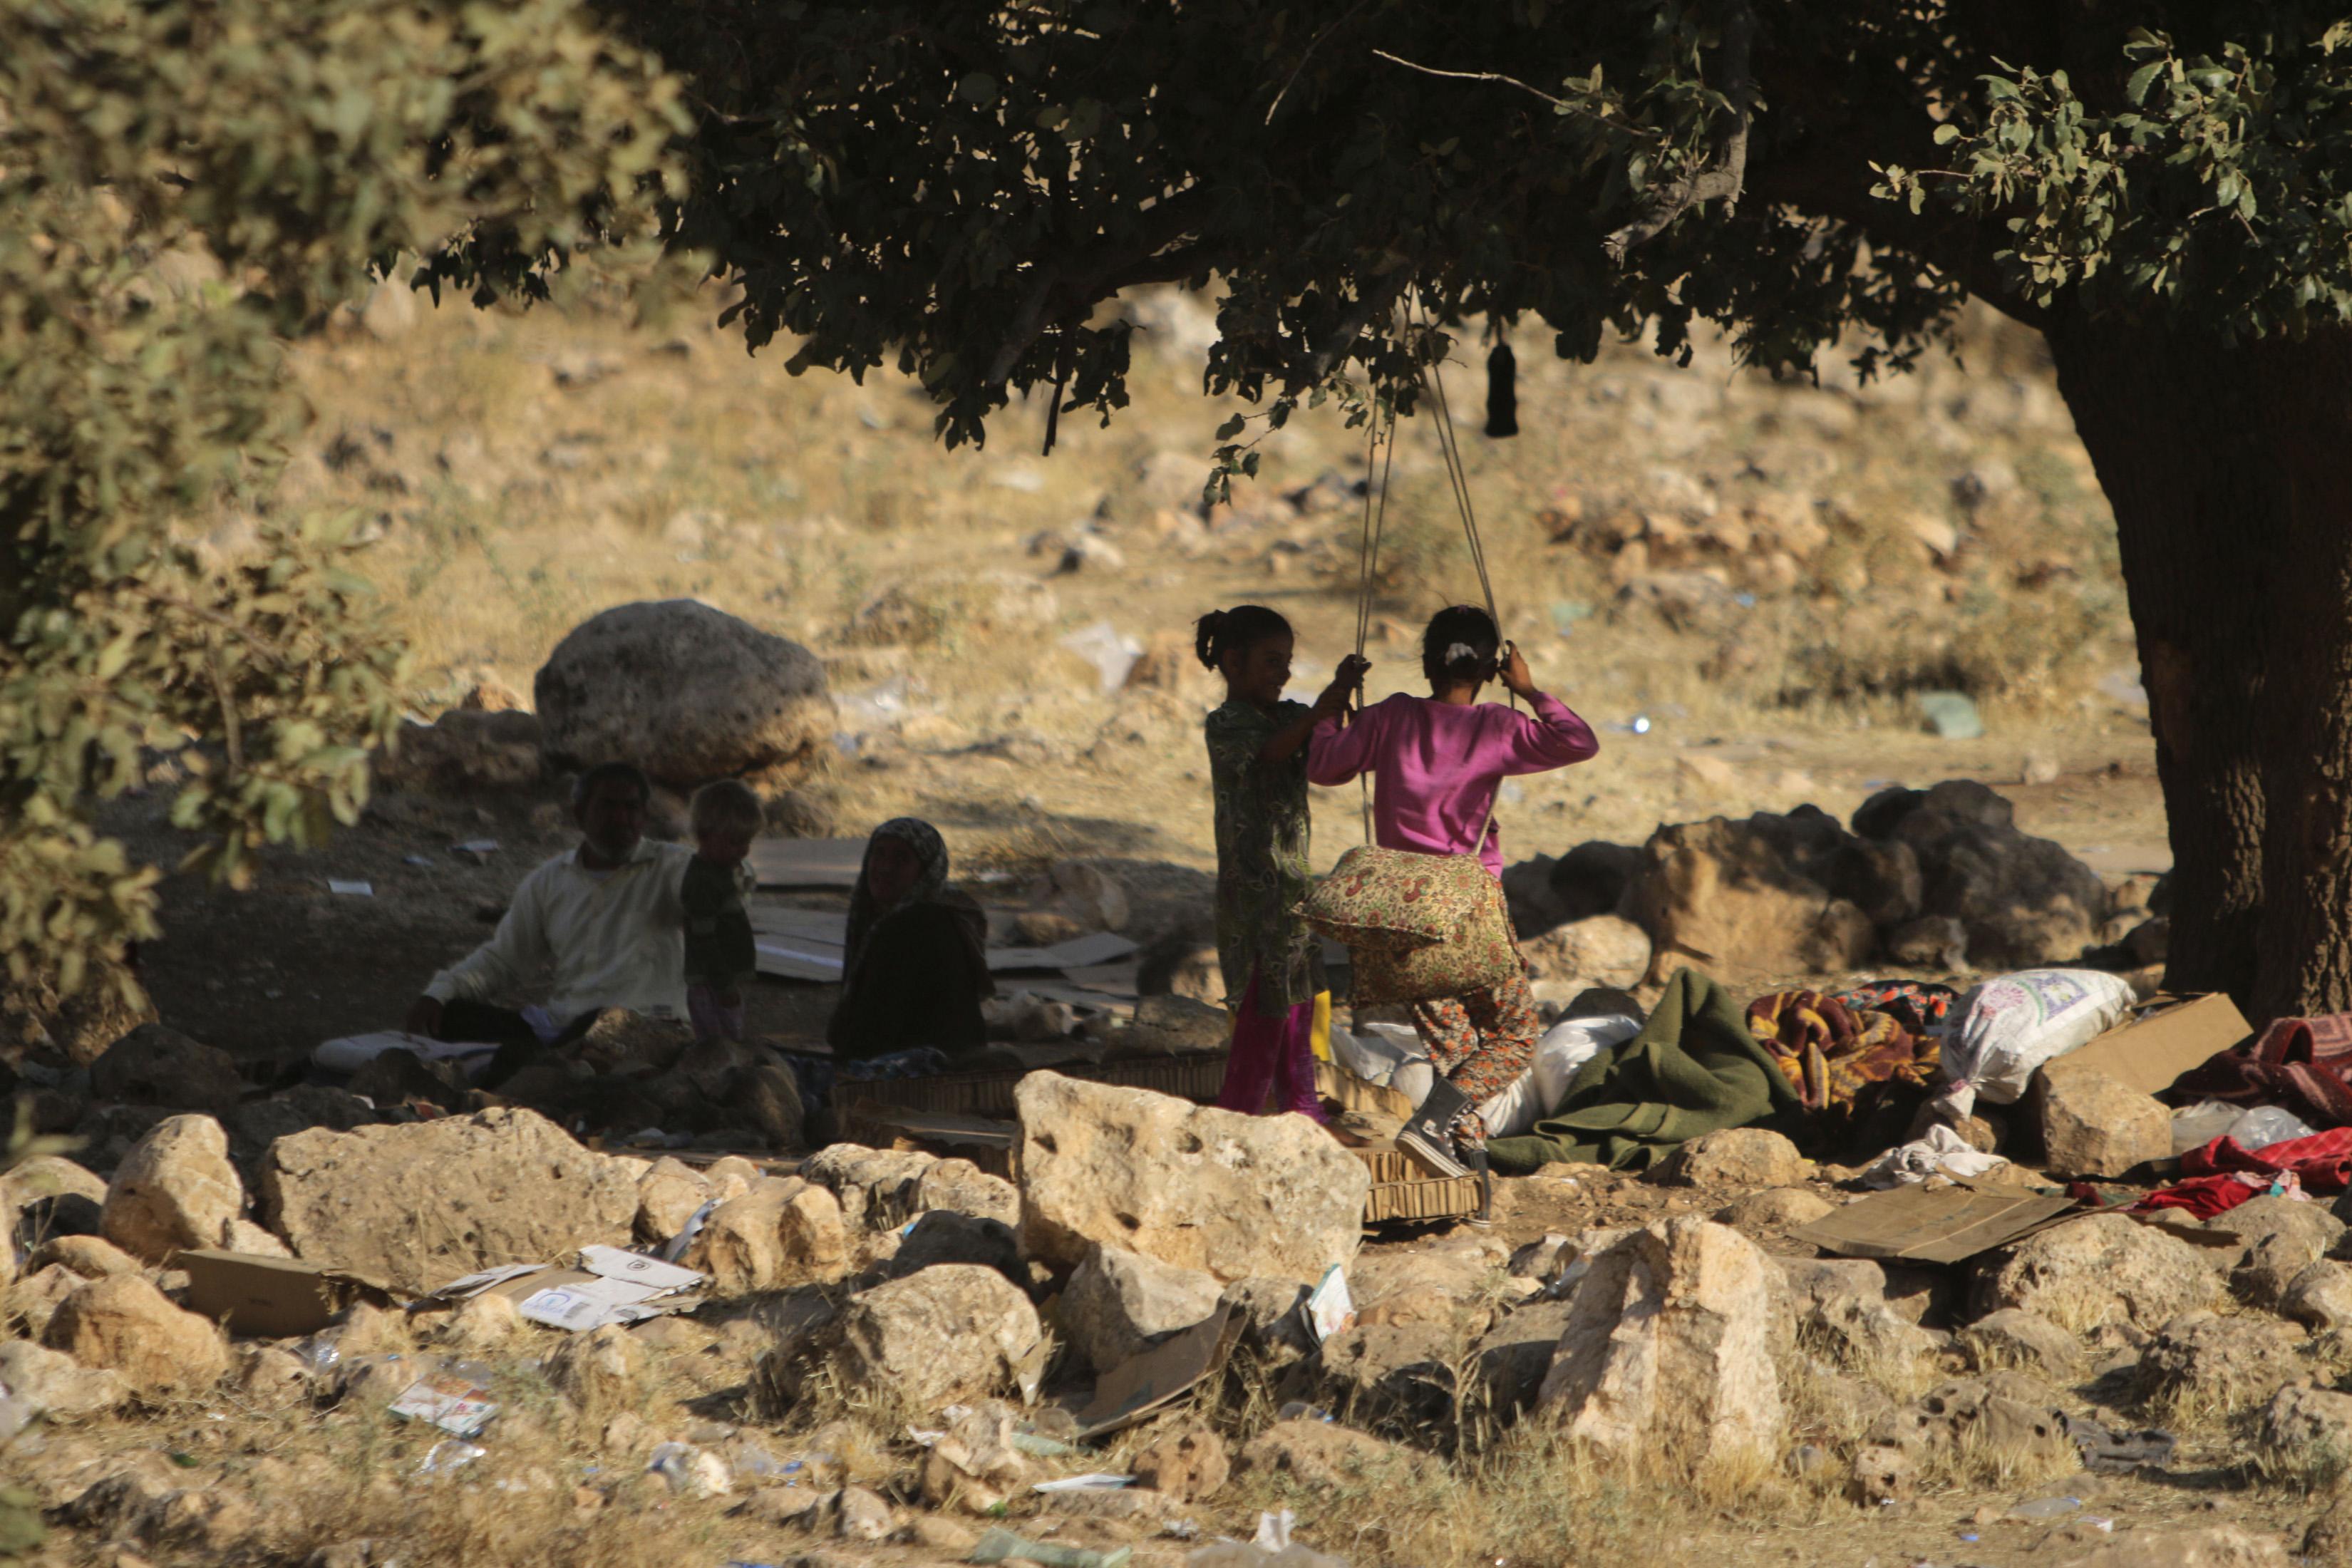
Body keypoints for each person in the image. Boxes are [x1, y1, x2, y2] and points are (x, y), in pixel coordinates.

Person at [1308, 604, 1598, 1178]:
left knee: (1454, 1050)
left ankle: (1470, 1176)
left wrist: (1336, 701)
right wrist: (1532, 690)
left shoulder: (1388, 717)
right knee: (1514, 1036)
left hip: (1401, 912)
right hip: (1470, 907)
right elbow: (1578, 742)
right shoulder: (1498, 724)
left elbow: (1322, 764)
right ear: (1492, 670)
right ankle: (1432, 1125)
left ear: (1424, 664)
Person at [1197, 604, 1366, 1122]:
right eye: (1272, 662)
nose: (1284, 673)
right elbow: (1269, 754)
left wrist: (1341, 695)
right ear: (1232, 661)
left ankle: (1303, 1115)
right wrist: (1318, 713)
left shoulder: (1291, 716)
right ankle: (1238, 1119)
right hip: (1251, 905)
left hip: (1292, 897)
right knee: (1260, 1017)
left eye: (1288, 662)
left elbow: (1325, 745)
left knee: (1297, 1012)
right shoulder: (1227, 725)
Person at [406, 761, 694, 1058]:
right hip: (562, 1026)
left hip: (644, 1028)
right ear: (580, 814)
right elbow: (503, 960)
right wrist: (439, 993)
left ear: (644, 816)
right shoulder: (550, 881)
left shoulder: (676, 867)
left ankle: (545, 1061)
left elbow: (730, 907)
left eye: (631, 808)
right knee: (453, 1017)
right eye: (608, 807)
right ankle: (550, 1059)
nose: (621, 818)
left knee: (599, 1027)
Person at [824, 817, 990, 1062]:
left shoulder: (910, 926)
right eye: (879, 854)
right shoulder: (941, 910)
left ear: (925, 872)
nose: (885, 867)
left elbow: (874, 1030)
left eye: (902, 859)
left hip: (920, 1073)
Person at [682, 779, 763, 1041]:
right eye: (734, 842)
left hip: (721, 978)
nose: (743, 851)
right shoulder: (703, 882)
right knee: (718, 1044)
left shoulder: (720, 872)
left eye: (746, 842)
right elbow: (703, 940)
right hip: (712, 983)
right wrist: (724, 984)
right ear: (705, 835)